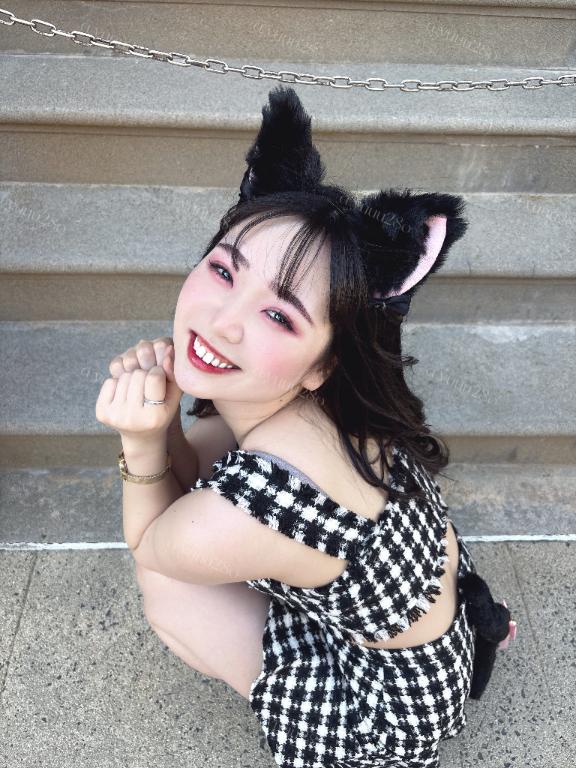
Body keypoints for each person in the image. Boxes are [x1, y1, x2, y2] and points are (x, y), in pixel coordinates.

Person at [97, 85, 516, 768]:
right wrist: (165, 421)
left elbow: (155, 544)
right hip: (439, 629)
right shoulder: (312, 406)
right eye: (224, 270)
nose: (223, 321)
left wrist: (141, 439)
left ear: (325, 361)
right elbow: (199, 477)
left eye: (278, 315)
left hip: (384, 712)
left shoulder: (279, 478)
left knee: (171, 589)